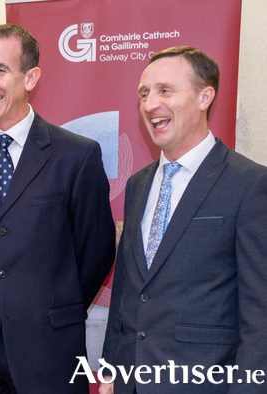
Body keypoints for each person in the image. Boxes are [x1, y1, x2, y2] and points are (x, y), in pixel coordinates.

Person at [0, 23, 116, 393]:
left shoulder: (76, 156)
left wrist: (52, 306)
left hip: (49, 353)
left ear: (31, 78)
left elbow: (95, 252)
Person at [101, 47, 267, 394]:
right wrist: (109, 374)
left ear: (205, 96)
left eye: (165, 91)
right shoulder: (137, 184)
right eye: (144, 94)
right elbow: (127, 293)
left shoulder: (250, 184)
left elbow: (261, 318)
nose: (149, 105)